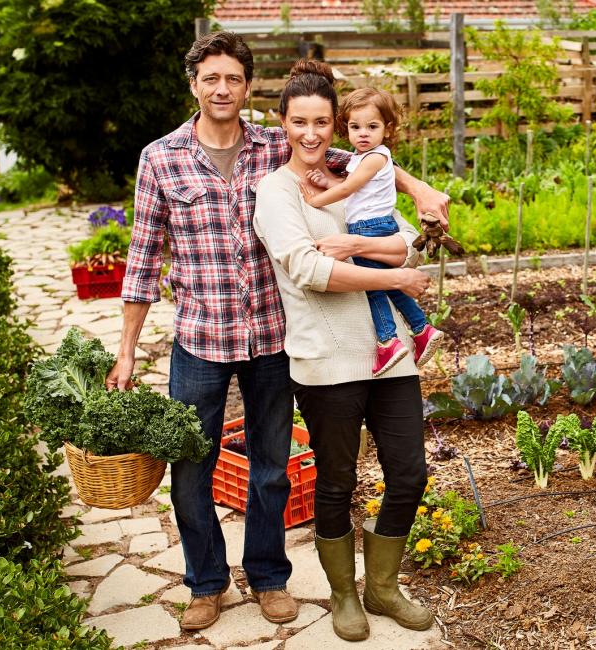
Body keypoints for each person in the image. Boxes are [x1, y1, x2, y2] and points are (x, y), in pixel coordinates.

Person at [105, 31, 449, 631]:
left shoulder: (276, 142)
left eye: (232, 79)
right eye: (210, 78)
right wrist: (127, 350)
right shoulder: (161, 157)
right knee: (192, 467)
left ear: (247, 87)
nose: (221, 88)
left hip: (270, 337)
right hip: (201, 337)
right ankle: (206, 585)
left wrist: (418, 188)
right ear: (193, 84)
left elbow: (368, 162)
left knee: (269, 468)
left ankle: (268, 578)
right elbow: (142, 260)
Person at [252, 59, 434, 642]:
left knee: (409, 474)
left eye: (322, 122)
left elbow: (405, 243)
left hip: (390, 357)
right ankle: (344, 592)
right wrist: (394, 277)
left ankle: (383, 586)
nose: (311, 134)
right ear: (282, 124)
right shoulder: (275, 192)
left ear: (336, 125)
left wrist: (364, 245)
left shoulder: (354, 174)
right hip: (325, 363)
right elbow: (308, 270)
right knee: (336, 482)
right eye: (299, 121)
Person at [303, 87, 444, 377]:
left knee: (373, 287)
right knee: (386, 283)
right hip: (370, 224)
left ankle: (388, 340)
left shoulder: (376, 158)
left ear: (388, 129)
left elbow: (348, 188)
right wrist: (326, 180)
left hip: (371, 227)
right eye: (355, 127)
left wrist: (314, 200)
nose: (362, 133)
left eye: (372, 126)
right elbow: (352, 192)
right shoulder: (360, 158)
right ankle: (421, 329)